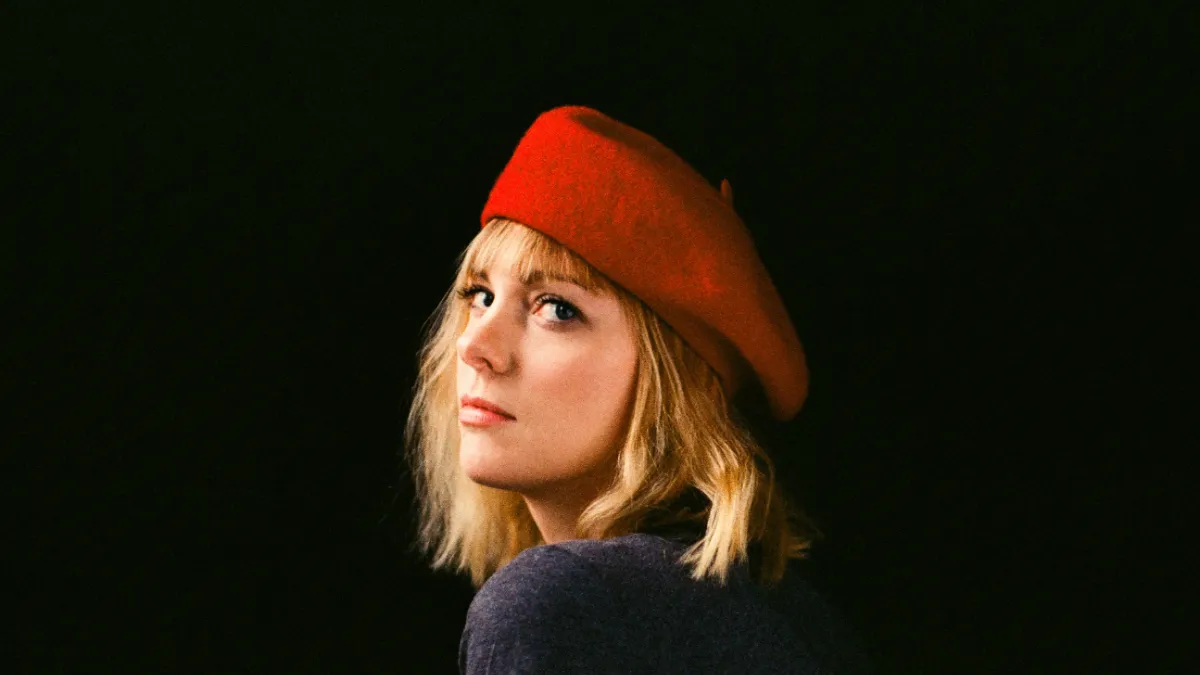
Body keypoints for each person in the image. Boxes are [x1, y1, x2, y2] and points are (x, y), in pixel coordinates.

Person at [403, 105, 875, 674]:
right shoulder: (800, 615)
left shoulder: (563, 605)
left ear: (677, 384)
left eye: (557, 308)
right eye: (479, 295)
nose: (475, 345)